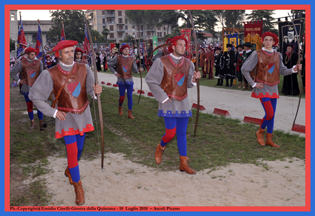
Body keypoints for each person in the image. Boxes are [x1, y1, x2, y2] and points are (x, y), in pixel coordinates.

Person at [28, 40, 102, 205]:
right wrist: (53, 112)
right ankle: (78, 185)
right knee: (72, 151)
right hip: (65, 118)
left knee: (79, 149)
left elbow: (90, 90)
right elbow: (35, 95)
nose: (71, 54)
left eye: (72, 51)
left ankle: (70, 169)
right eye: (67, 52)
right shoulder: (50, 73)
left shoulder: (85, 68)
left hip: (82, 114)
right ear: (59, 54)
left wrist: (96, 91)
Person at [145, 36, 201, 174]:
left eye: (185, 45)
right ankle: (161, 146)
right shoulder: (161, 62)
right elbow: (151, 80)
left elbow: (187, 84)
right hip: (168, 101)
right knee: (170, 133)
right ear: (173, 46)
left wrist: (194, 79)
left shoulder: (189, 63)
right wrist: (162, 98)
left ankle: (183, 163)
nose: (183, 47)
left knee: (182, 133)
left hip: (183, 102)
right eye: (180, 45)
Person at [241, 32, 302, 148]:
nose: (268, 42)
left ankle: (269, 138)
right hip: (262, 87)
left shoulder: (278, 55)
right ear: (262, 41)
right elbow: (244, 69)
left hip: (273, 87)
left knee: (272, 115)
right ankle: (260, 132)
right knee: (269, 113)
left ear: (274, 42)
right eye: (266, 39)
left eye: (270, 40)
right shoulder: (256, 54)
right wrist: (253, 84)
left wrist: (293, 69)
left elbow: (282, 71)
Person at [10, 47, 47, 130]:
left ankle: (41, 122)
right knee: (29, 105)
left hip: (37, 88)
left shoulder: (39, 63)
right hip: (27, 88)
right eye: (32, 54)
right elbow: (12, 73)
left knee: (39, 106)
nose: (34, 56)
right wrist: (19, 80)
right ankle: (32, 122)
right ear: (27, 54)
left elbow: (41, 75)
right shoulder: (21, 63)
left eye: (34, 54)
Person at [107, 44, 142, 119]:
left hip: (129, 80)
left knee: (130, 96)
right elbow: (109, 64)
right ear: (122, 50)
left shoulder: (131, 58)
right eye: (125, 49)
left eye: (128, 49)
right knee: (122, 97)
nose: (127, 50)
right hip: (121, 80)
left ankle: (130, 113)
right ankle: (120, 107)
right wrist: (115, 73)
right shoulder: (117, 58)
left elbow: (134, 70)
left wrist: (139, 70)